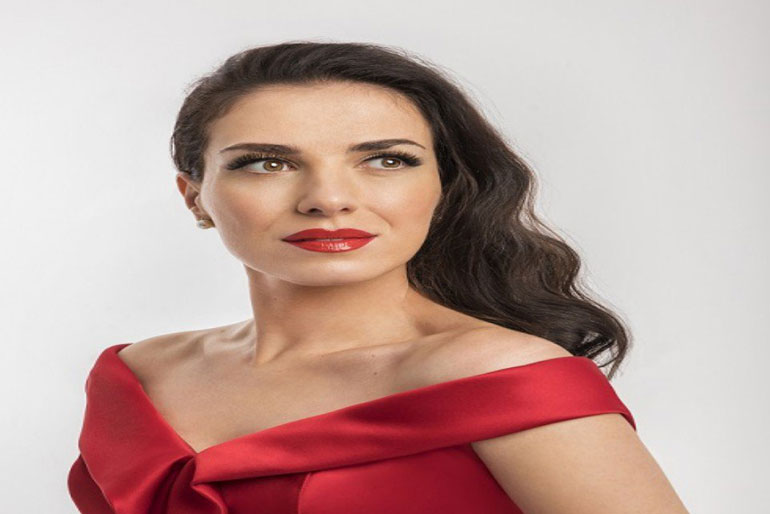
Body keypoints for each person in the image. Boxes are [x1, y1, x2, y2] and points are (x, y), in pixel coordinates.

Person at [68, 40, 689, 513]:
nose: (328, 199)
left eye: (387, 160)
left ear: (443, 188)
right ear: (195, 196)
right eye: (267, 164)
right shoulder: (140, 375)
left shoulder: (500, 375)